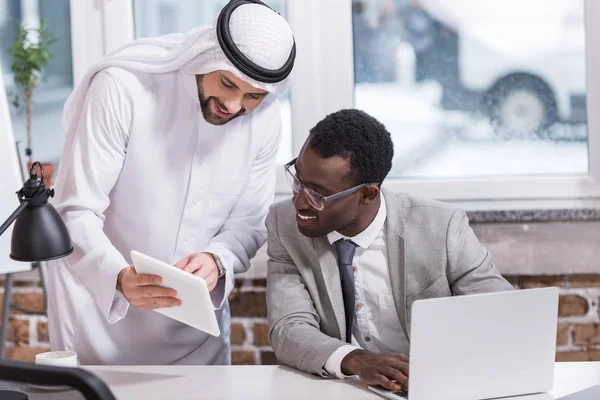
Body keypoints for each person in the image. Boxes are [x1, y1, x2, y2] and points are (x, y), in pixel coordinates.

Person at [46, 0, 295, 365]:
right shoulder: (123, 88)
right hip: (99, 321)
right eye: (227, 83)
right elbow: (75, 209)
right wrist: (117, 276)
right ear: (204, 56)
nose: (233, 103)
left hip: (195, 335)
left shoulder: (266, 120)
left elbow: (247, 222)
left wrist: (218, 258)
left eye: (252, 95)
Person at [265, 109, 513, 391]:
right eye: (297, 181)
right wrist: (358, 361)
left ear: (367, 194)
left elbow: (502, 315)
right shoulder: (283, 224)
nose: (298, 202)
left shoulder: (441, 227)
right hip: (346, 387)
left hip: (431, 387)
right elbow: (288, 328)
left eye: (317, 194)